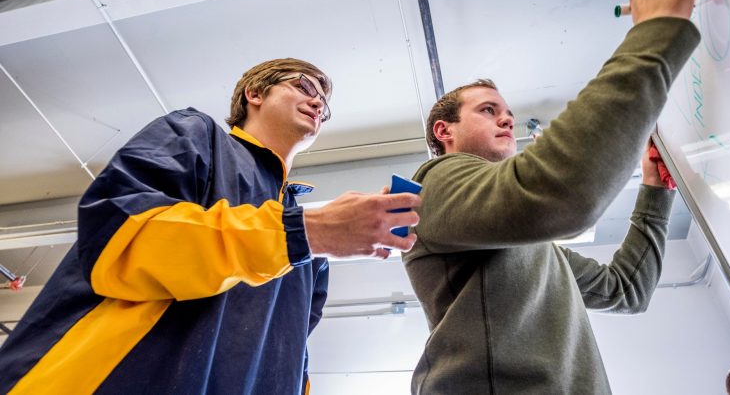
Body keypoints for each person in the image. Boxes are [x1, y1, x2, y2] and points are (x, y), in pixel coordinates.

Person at [0, 58, 421, 394]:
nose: (318, 104)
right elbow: (121, 241)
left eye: (324, 105)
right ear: (254, 93)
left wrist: (307, 235)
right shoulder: (196, 136)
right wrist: (303, 231)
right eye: (304, 87)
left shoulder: (309, 254)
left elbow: (293, 359)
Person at [402, 0, 701, 394]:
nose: (506, 118)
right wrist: (655, 32)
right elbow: (558, 194)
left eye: (507, 113)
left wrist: (654, 192)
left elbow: (626, 290)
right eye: (488, 110)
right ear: (443, 131)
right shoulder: (434, 184)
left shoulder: (530, 242)